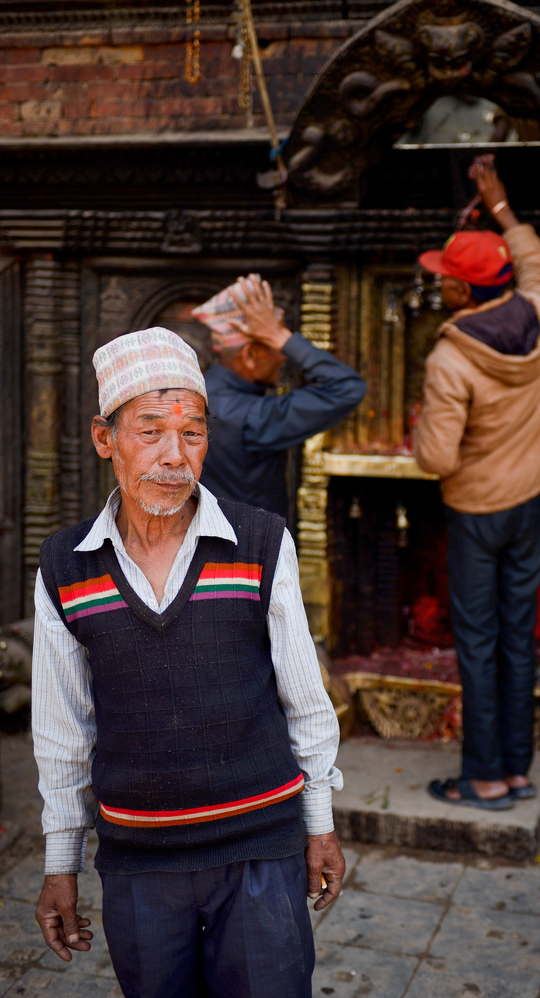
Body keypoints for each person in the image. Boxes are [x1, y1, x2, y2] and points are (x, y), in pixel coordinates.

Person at [32, 326, 345, 998]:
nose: (174, 455)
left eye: (193, 434)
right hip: (140, 860)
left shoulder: (260, 542)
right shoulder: (66, 566)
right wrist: (63, 861)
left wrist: (317, 822)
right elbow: (62, 729)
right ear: (104, 439)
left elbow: (304, 697)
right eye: (150, 431)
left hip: (260, 847)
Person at [414, 162, 540, 810]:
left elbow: (436, 459)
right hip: (530, 503)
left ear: (466, 294)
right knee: (516, 635)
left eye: (445, 281)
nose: (438, 287)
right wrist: (501, 210)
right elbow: (537, 267)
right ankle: (519, 770)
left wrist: (422, 428)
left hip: (476, 511)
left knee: (476, 643)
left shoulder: (450, 358)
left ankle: (482, 778)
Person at [194, 274, 366, 516]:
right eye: (276, 348)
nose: (284, 356)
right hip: (246, 549)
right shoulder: (251, 416)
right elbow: (347, 388)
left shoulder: (196, 393)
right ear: (250, 356)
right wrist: (280, 336)